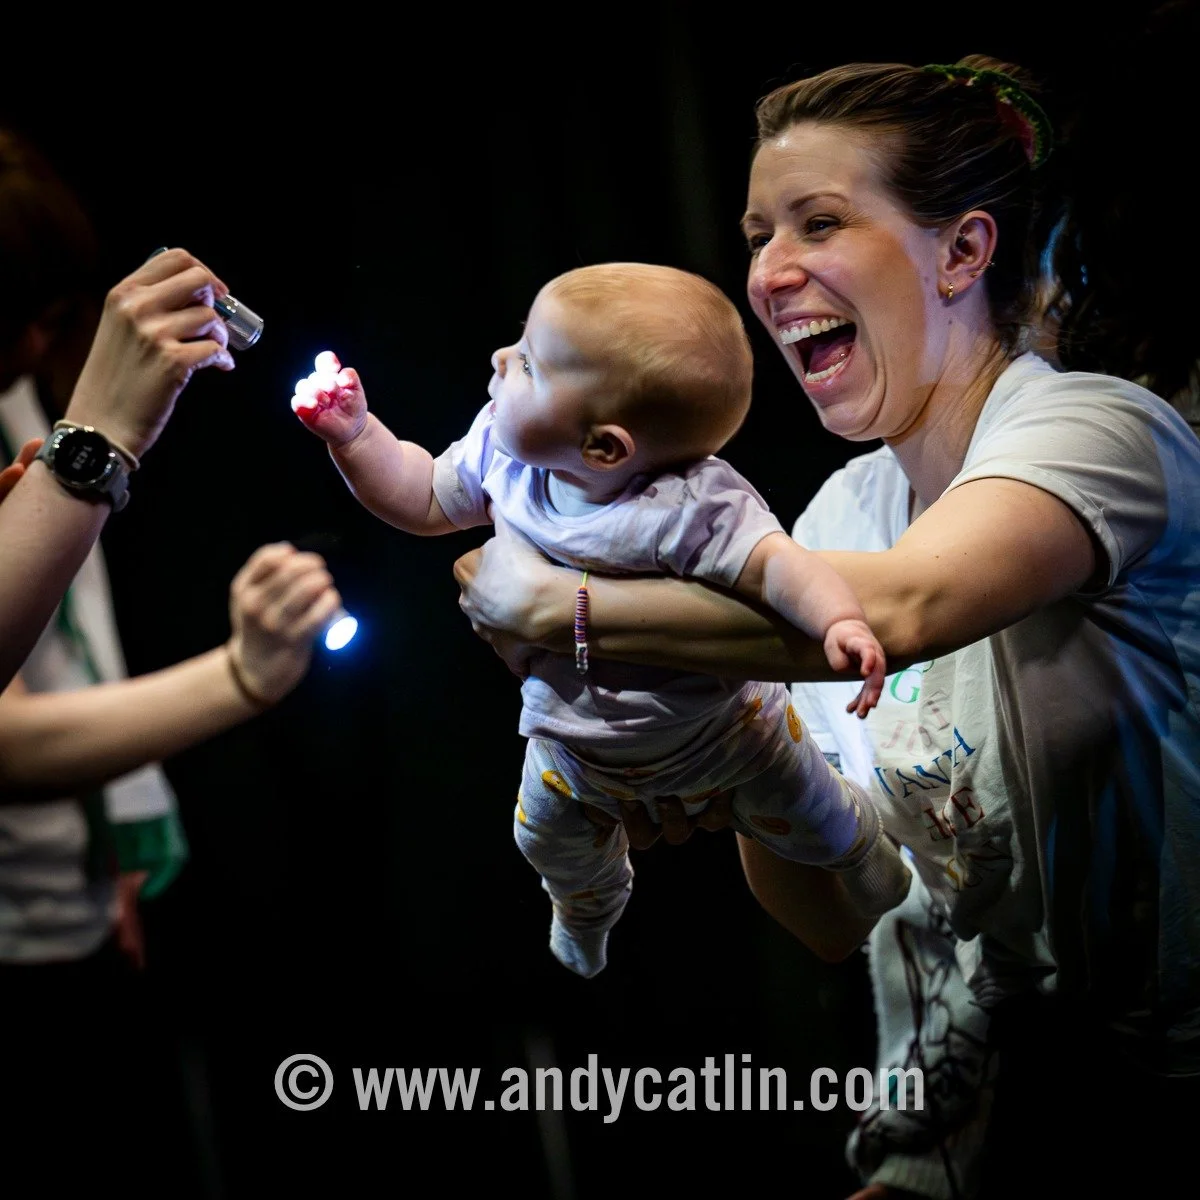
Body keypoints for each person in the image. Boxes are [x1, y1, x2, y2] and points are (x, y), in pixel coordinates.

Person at [449, 54, 1200, 1197]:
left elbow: (905, 606)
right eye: (757, 234)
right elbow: (836, 918)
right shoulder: (838, 514)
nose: (769, 271)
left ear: (964, 251)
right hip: (957, 1138)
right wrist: (734, 764)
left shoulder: (1099, 431)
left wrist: (563, 606)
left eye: (818, 222)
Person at [292, 261, 910, 978]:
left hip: (733, 738)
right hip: (575, 749)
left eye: (527, 361)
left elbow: (776, 564)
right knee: (543, 840)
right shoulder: (503, 451)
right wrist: (356, 436)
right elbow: (423, 494)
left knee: (814, 812)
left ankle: (864, 854)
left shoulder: (690, 504)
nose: (500, 359)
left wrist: (840, 622)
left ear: (604, 447)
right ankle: (588, 905)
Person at [0, 128, 346, 1192]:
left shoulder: (15, 399)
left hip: (78, 912)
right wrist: (240, 676)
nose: (33, 348)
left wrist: (108, 851)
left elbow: (65, 643)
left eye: (50, 318)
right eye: (26, 318)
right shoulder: (49, 412)